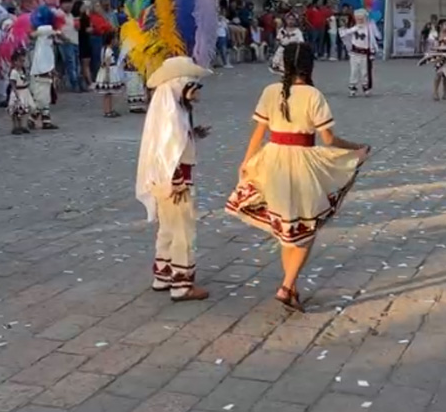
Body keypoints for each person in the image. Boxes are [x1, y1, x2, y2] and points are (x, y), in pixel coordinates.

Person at [226, 43, 369, 310]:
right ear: (309, 65)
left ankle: (292, 287)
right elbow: (328, 139)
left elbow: (259, 131)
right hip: (302, 162)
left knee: (287, 229)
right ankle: (286, 286)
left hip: (273, 159)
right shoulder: (313, 95)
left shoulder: (270, 91)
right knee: (307, 226)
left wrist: (246, 161)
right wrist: (355, 149)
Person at [137, 56, 213, 302]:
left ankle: (164, 274)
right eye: (195, 86)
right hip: (174, 181)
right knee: (183, 230)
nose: (198, 92)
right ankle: (181, 284)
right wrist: (178, 181)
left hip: (163, 181)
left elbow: (173, 142)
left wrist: (194, 133)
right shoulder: (171, 114)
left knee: (168, 227)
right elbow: (169, 150)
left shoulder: (170, 110)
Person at [340, 8, 381, 97]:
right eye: (358, 18)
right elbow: (344, 34)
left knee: (364, 71)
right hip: (354, 53)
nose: (360, 20)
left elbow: (373, 40)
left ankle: (365, 87)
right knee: (354, 71)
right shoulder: (354, 28)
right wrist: (351, 29)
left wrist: (372, 52)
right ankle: (352, 87)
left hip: (365, 54)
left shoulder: (369, 28)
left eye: (361, 18)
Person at [29, 22, 59, 129]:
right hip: (41, 78)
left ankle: (46, 120)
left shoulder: (47, 48)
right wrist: (48, 72)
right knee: (41, 99)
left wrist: (53, 71)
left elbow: (49, 62)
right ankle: (32, 118)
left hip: (47, 78)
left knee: (46, 99)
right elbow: (42, 66)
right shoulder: (41, 50)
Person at [94, 30, 124, 118]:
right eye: (115, 39)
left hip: (106, 71)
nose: (117, 41)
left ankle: (109, 109)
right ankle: (107, 111)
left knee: (108, 93)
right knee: (108, 93)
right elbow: (107, 63)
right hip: (109, 71)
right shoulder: (109, 50)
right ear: (111, 40)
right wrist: (107, 75)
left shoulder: (103, 49)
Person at [57, 0, 83, 92]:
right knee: (71, 63)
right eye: (67, 3)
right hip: (66, 42)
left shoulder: (70, 15)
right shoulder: (59, 14)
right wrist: (63, 38)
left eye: (70, 4)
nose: (69, 6)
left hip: (75, 41)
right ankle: (74, 84)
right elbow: (57, 29)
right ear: (62, 4)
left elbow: (76, 28)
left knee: (76, 64)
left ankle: (77, 83)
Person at [6, 49, 35, 134]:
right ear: (15, 62)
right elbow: (13, 84)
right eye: (20, 61)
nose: (22, 63)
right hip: (18, 92)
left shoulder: (23, 71)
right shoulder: (14, 72)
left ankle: (23, 125)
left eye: (23, 61)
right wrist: (15, 93)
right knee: (16, 110)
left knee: (24, 110)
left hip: (25, 91)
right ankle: (15, 126)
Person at [123, 43, 147, 113]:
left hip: (137, 71)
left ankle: (139, 106)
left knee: (138, 87)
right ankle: (133, 106)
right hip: (131, 72)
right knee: (133, 87)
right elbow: (127, 61)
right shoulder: (128, 50)